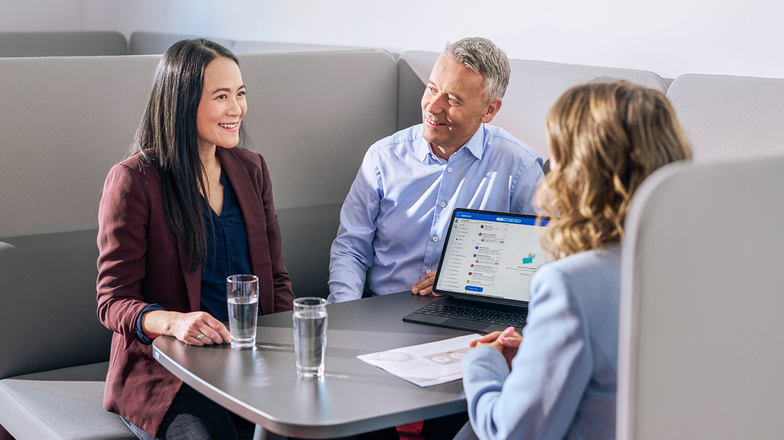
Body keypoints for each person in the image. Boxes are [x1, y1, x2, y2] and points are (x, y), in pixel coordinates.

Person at [457, 81, 692, 440]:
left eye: (559, 154)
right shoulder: (699, 269)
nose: (551, 165)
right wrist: (540, 353)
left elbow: (512, 432)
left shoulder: (569, 285)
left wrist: (482, 365)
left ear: (584, 172)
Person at [96, 39, 295, 440]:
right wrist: (175, 322)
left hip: (249, 362)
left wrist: (290, 355)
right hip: (170, 373)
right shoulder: (136, 180)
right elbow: (112, 300)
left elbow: (276, 281)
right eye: (221, 96)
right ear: (183, 102)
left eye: (240, 94)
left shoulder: (252, 169)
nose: (236, 109)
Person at [328, 37, 544, 305]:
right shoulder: (382, 158)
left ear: (489, 110)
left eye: (452, 99)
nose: (433, 106)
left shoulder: (520, 168)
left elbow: (541, 260)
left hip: (472, 311)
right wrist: (345, 315)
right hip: (381, 309)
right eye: (432, 89)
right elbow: (351, 250)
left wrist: (466, 279)